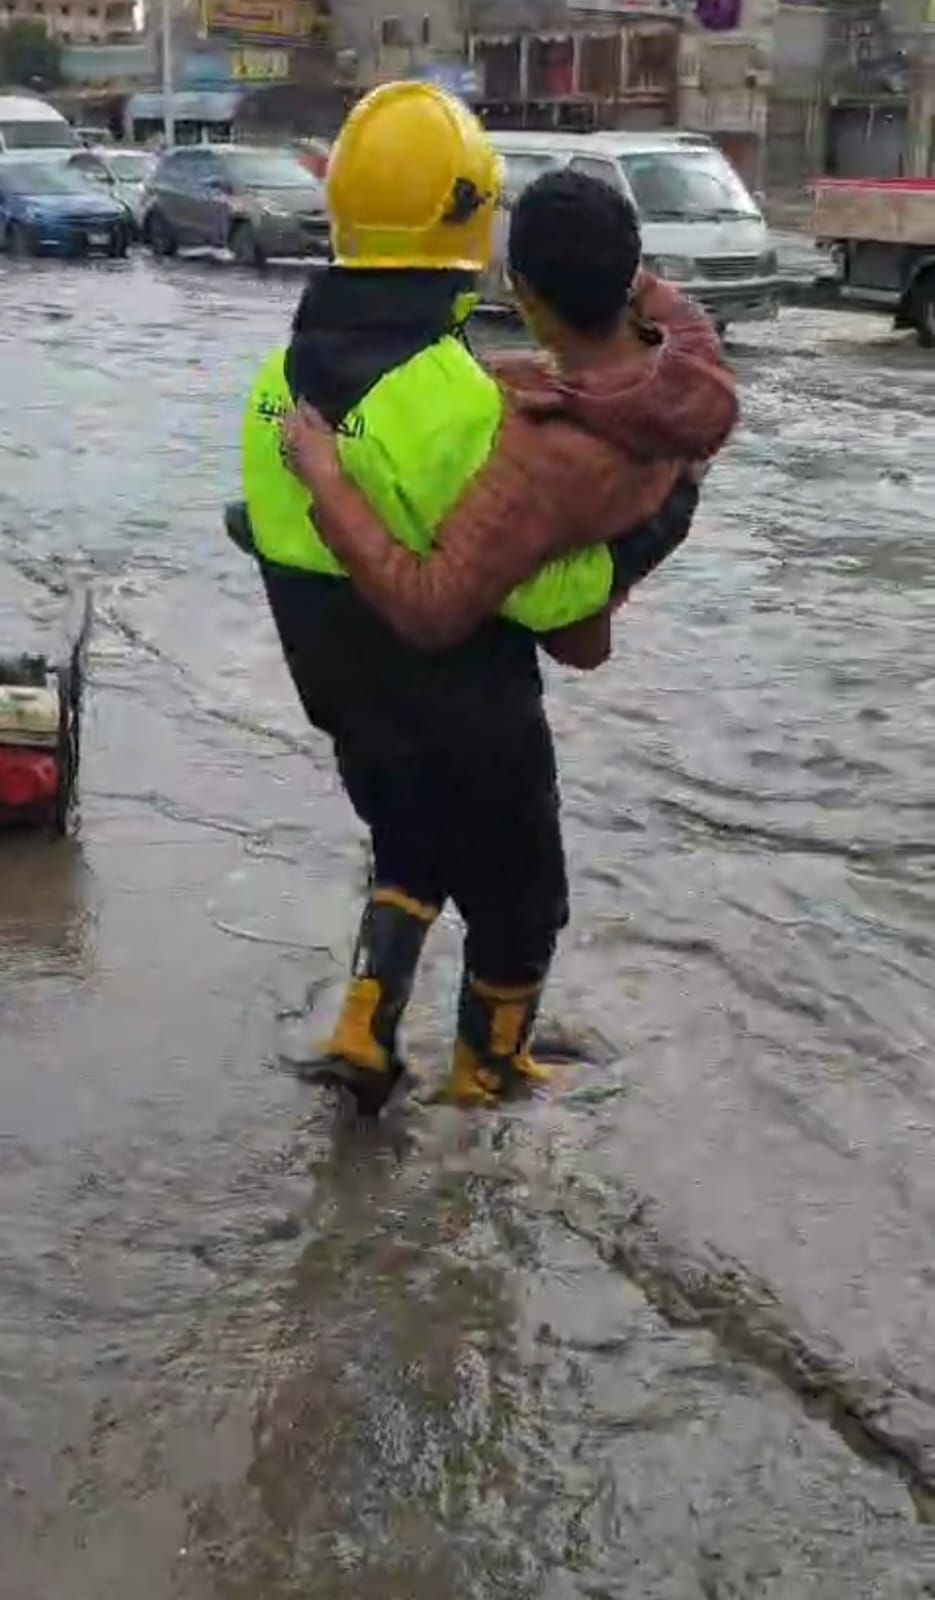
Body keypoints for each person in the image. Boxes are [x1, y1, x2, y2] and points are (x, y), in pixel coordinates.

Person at [234, 84, 737, 1115]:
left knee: (407, 844)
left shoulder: (272, 384)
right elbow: (541, 599)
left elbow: (271, 526)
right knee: (520, 895)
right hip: (463, 706)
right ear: (467, 219)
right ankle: (486, 1073)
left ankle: (364, 1026)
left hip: (344, 701)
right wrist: (644, 537)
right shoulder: (458, 403)